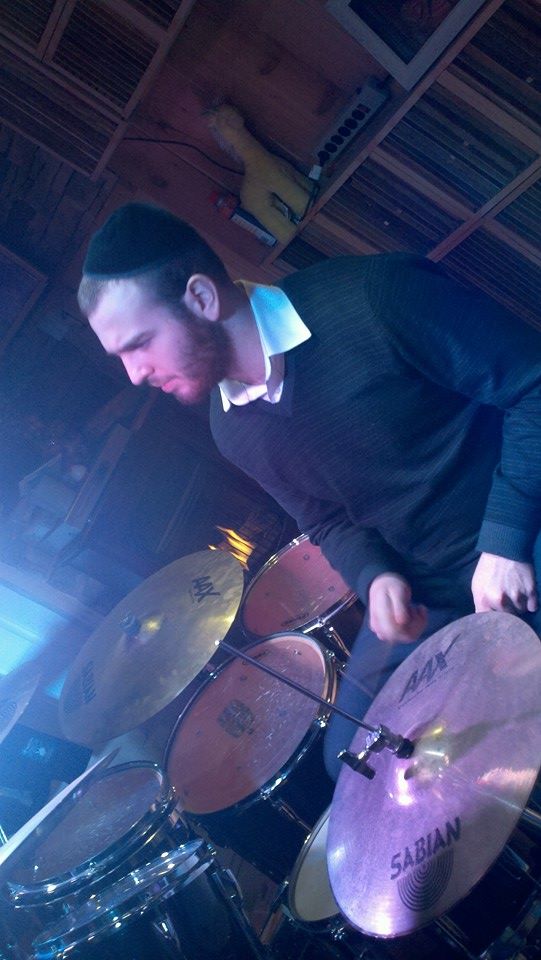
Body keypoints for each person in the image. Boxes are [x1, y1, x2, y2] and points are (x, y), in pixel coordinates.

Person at [78, 202, 541, 778]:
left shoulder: (374, 296)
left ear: (200, 298)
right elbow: (326, 521)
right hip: (434, 584)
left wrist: (504, 540)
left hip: (522, 523)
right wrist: (376, 577)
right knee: (355, 761)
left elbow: (533, 385)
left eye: (139, 343)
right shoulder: (229, 428)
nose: (134, 373)